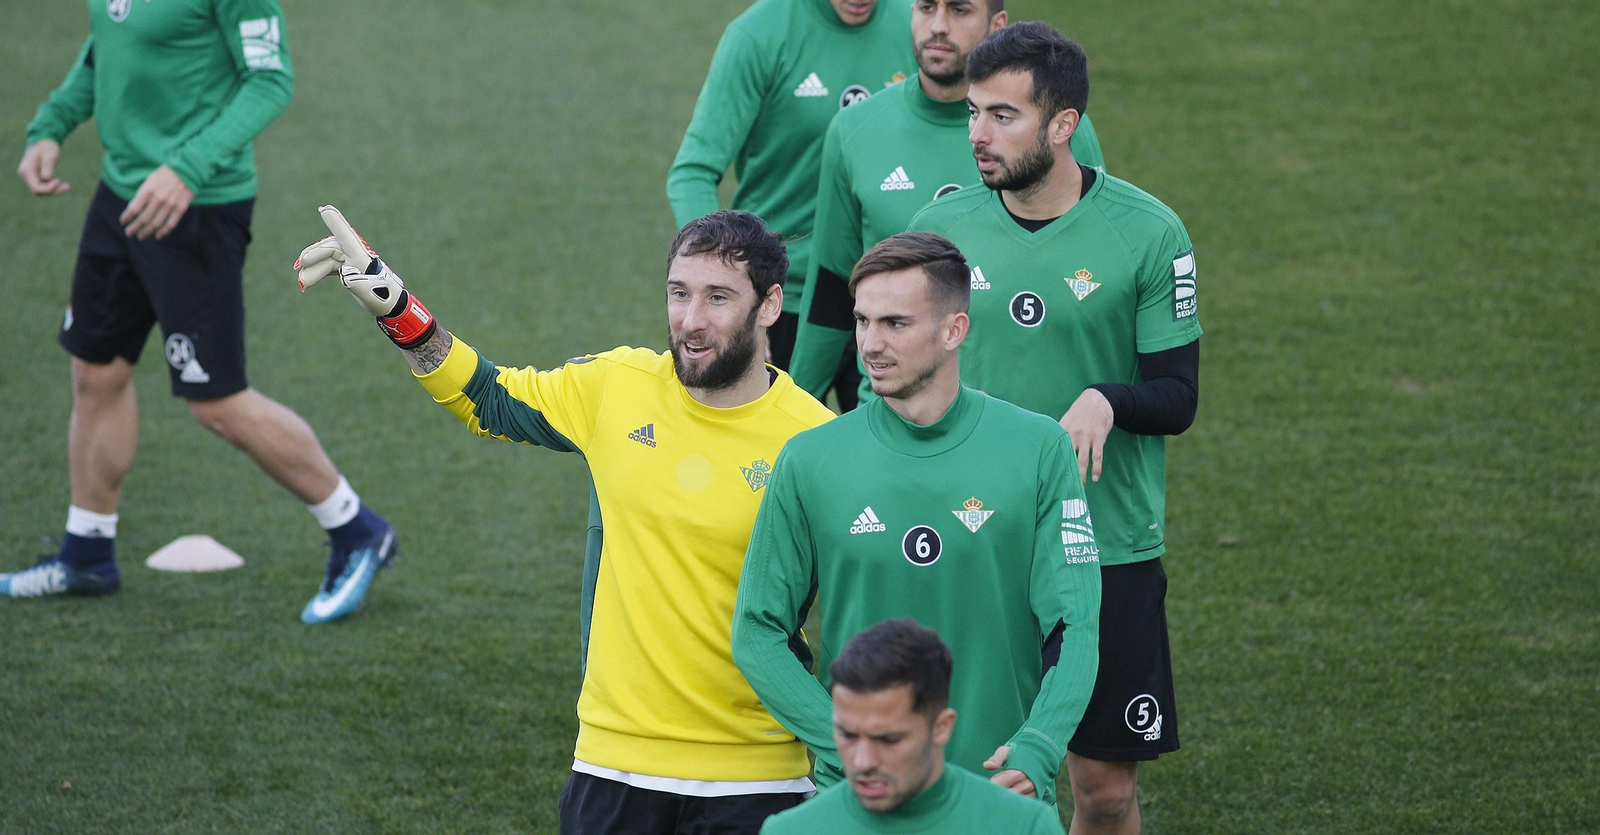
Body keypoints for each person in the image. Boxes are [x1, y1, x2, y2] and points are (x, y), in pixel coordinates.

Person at [296, 207, 835, 834]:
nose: (691, 321)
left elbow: (865, 604)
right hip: (614, 765)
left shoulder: (815, 441)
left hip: (760, 776)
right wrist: (398, 311)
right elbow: (490, 399)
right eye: (678, 293)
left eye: (718, 298)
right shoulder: (619, 386)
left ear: (770, 306)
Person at [6, 0, 395, 624]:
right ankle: (87, 553)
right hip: (120, 193)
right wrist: (51, 124)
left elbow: (271, 80)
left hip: (198, 206)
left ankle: (356, 530)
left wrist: (187, 169)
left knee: (217, 402)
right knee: (96, 369)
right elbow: (107, 46)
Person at [906, 23, 1202, 834]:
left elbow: (1178, 395)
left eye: (1003, 116)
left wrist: (1109, 398)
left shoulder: (1148, 232)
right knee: (969, 779)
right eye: (973, 113)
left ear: (1063, 125)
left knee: (1103, 793)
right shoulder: (944, 229)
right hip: (975, 540)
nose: (977, 133)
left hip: (1106, 548)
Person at [731, 232, 1101, 807]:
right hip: (857, 799)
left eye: (895, 324)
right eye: (862, 322)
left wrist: (1041, 743)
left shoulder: (1039, 450)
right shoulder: (810, 459)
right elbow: (757, 629)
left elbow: (1075, 624)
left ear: (954, 330)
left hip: (999, 793)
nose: (870, 345)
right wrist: (843, 741)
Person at [788, 2, 1106, 408]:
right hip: (896, 415)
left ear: (997, 24)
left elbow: (1094, 267)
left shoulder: (1058, 132)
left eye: (959, 10)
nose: (937, 27)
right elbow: (832, 288)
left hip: (1018, 418)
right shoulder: (854, 130)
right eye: (925, 7)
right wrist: (795, 408)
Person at [667, 0, 914, 377]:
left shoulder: (920, 26)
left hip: (885, 294)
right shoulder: (758, 35)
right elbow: (692, 172)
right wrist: (735, 290)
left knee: (890, 434)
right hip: (782, 300)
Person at [759, 619, 1065, 834]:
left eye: (888, 739)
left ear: (942, 727)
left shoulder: (1024, 827)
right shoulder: (788, 830)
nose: (862, 761)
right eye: (847, 734)